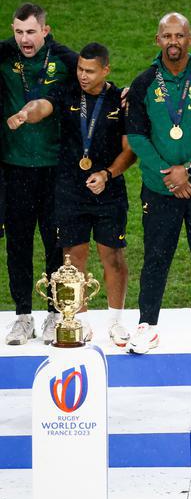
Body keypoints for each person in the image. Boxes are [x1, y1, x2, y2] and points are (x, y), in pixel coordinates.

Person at [6, 42, 135, 345]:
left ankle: (115, 321)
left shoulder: (120, 100)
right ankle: (80, 321)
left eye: (90, 71)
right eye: (79, 69)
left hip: (109, 189)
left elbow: (130, 151)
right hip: (70, 190)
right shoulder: (66, 93)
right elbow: (43, 106)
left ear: (106, 70)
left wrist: (107, 174)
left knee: (113, 257)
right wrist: (27, 113)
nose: (83, 75)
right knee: (72, 260)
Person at [125, 12, 191, 354]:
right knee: (155, 257)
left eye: (179, 36)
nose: (173, 42)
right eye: (167, 36)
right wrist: (169, 175)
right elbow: (137, 136)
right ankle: (147, 326)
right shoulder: (144, 84)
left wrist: (188, 168)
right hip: (160, 190)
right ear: (158, 40)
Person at [0, 3, 77, 344]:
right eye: (19, 32)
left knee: (55, 242)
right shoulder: (4, 56)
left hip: (54, 168)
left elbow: (93, 78)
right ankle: (22, 315)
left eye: (31, 32)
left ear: (45, 30)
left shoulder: (64, 59)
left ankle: (54, 313)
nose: (25, 39)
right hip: (14, 168)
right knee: (17, 243)